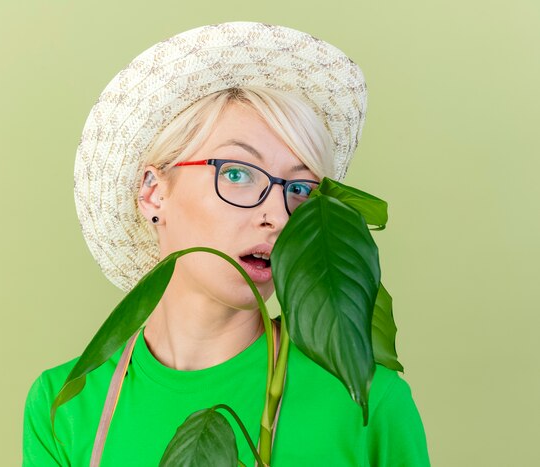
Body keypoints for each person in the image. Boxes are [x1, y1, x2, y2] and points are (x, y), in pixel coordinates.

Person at [23, 21, 430, 466]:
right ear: (154, 192)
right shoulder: (65, 407)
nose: (276, 215)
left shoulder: (367, 404)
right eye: (237, 173)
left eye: (299, 190)